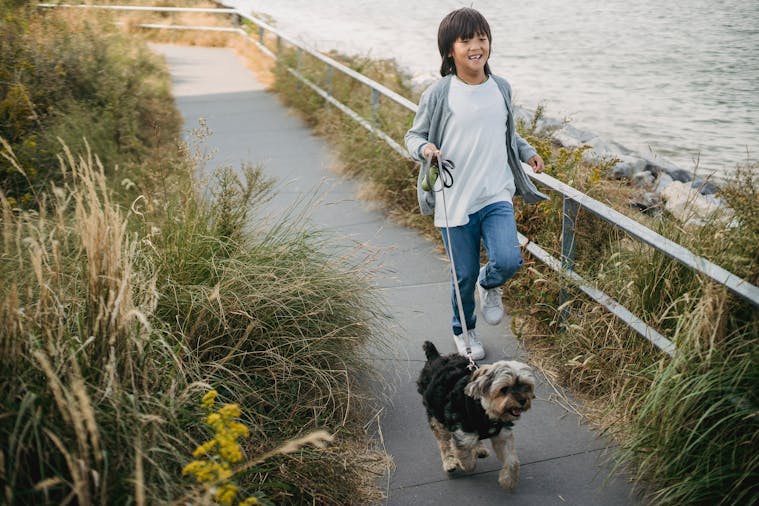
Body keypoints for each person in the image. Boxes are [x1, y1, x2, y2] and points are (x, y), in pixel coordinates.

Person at [405, 7, 547, 360]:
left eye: (481, 38)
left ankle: (491, 282)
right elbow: (413, 135)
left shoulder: (500, 87)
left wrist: (528, 152)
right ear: (450, 50)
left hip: (495, 194)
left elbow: (508, 131)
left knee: (509, 260)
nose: (475, 46)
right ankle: (464, 331)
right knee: (462, 276)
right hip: (454, 199)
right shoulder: (439, 93)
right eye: (465, 40)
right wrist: (425, 148)